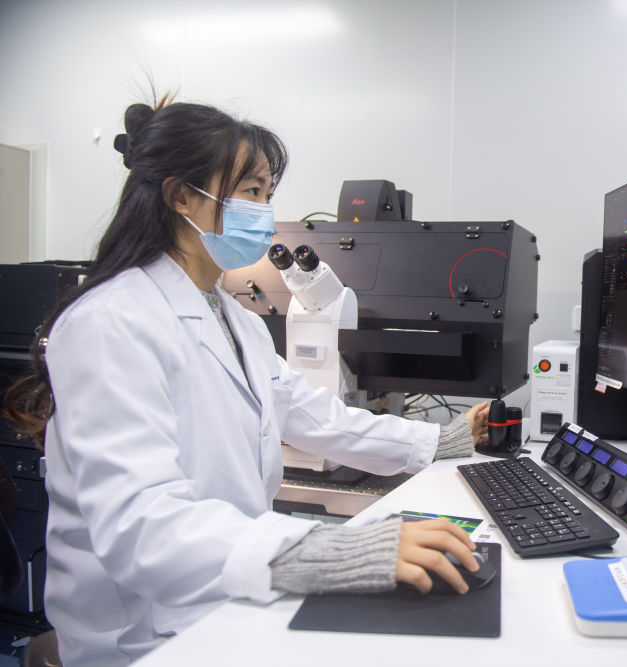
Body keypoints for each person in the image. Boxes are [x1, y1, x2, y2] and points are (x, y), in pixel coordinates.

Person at [1, 97, 491, 667]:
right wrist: (337, 552)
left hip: (221, 602)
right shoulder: (111, 322)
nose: (264, 210)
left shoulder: (237, 320)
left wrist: (442, 440)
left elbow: (313, 415)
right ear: (181, 196)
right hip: (140, 635)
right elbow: (141, 523)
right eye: (250, 191)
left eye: (267, 193)